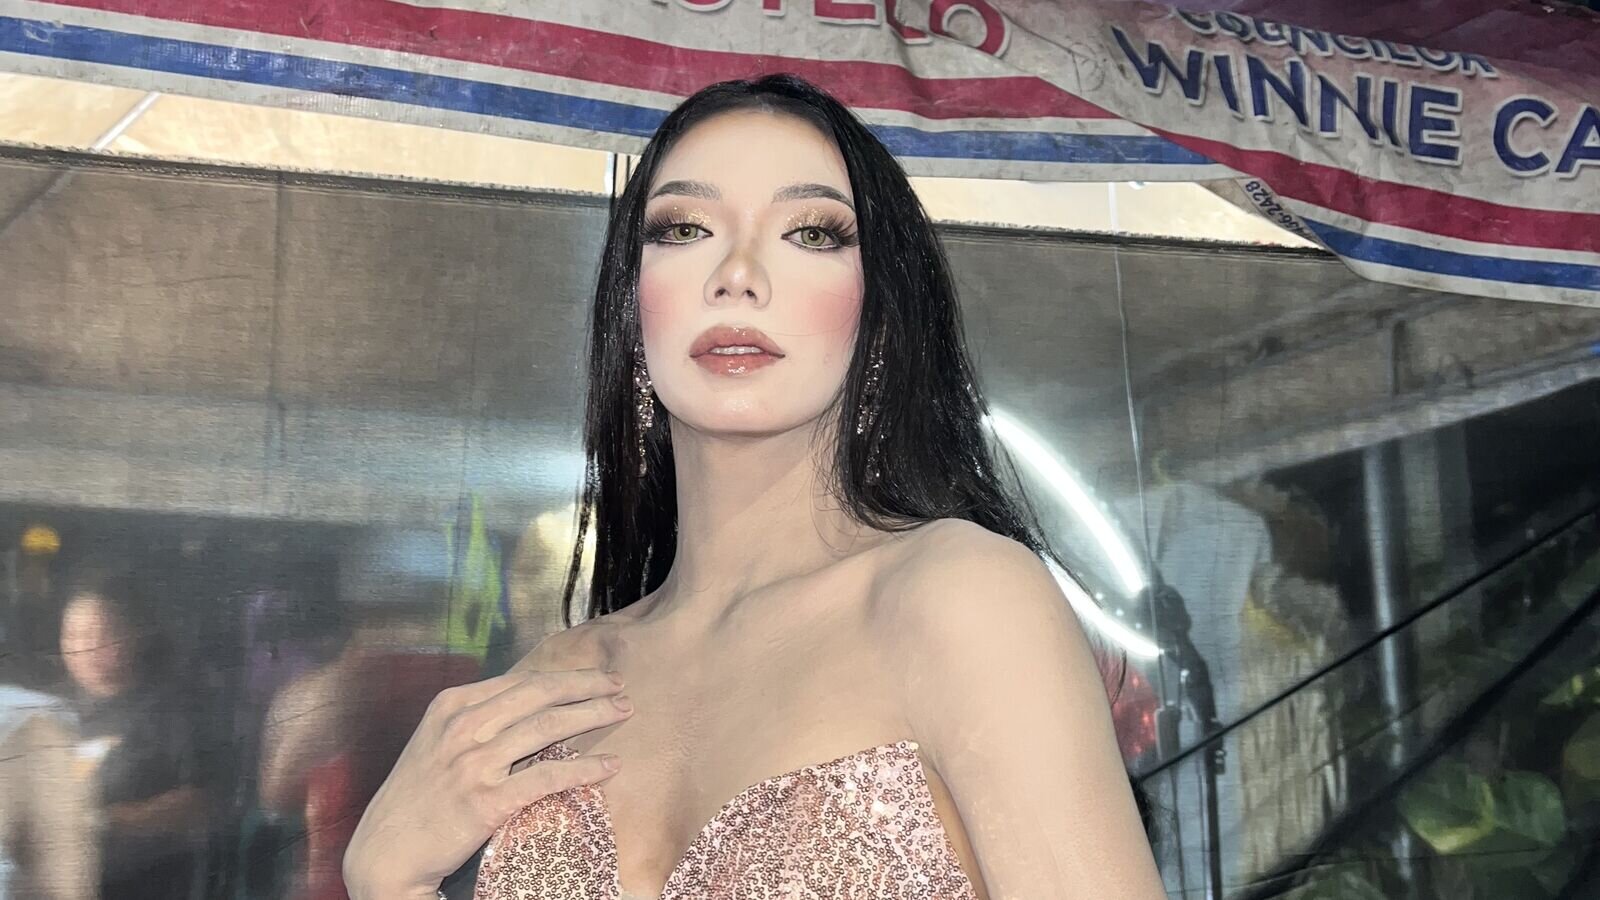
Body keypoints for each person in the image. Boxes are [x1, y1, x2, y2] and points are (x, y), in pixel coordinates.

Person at [345, 73, 1167, 899]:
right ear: (633, 308)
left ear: (879, 315)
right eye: (685, 228)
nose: (737, 273)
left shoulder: (960, 599)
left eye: (810, 232)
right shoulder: (558, 679)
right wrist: (387, 880)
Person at [59, 574, 206, 899]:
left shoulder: (172, 709)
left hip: (143, 883)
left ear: (134, 636)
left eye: (102, 634)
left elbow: (200, 804)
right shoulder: (47, 708)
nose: (86, 647)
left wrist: (109, 820)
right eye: (74, 635)